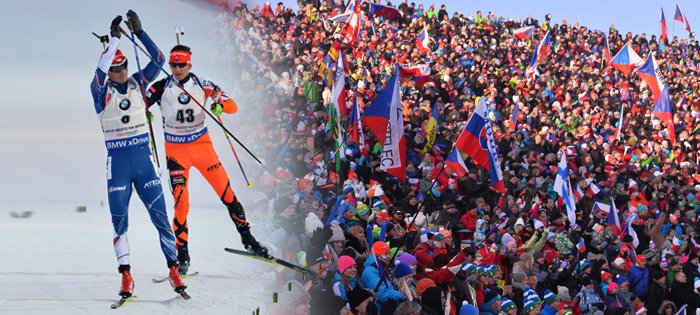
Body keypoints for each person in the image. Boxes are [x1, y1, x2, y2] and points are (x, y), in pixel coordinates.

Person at [147, 43, 269, 274]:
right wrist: (143, 110)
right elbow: (138, 103)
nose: (177, 68)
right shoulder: (162, 86)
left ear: (189, 64)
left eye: (181, 64)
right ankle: (182, 255)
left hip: (203, 148)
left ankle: (249, 240)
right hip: (176, 153)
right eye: (173, 64)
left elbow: (233, 106)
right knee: (181, 205)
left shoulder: (203, 84)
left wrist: (219, 103)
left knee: (228, 195)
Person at [89, 11, 185, 297]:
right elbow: (97, 74)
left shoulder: (139, 84)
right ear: (109, 71)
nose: (121, 73)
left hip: (143, 162)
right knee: (119, 222)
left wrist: (139, 32)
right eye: (116, 69)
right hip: (117, 164)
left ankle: (173, 270)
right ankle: (126, 276)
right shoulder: (100, 93)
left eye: (124, 67)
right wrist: (115, 41)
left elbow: (158, 60)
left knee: (161, 218)